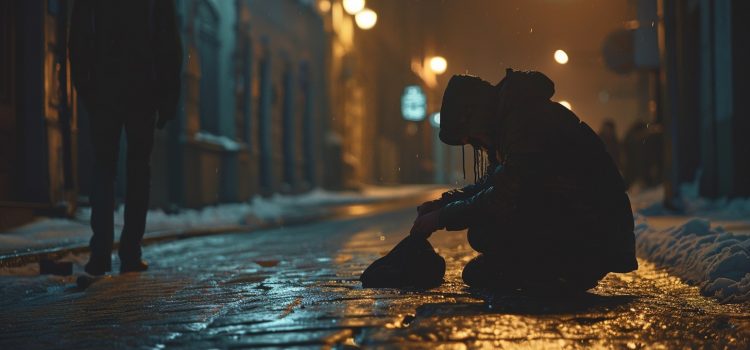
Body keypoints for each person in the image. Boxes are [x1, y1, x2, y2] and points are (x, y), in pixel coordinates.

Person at [411, 69, 637, 294]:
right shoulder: (513, 121)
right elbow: (491, 184)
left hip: (594, 236)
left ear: (476, 116)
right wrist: (441, 205)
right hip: (583, 227)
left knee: (484, 244)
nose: (475, 144)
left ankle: (562, 272)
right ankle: (552, 269)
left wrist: (441, 217)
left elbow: (504, 193)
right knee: (483, 243)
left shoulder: (526, 123)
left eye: (470, 136)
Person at [69, 0, 182, 275]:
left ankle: (100, 254)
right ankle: (130, 252)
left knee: (104, 168)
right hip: (142, 89)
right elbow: (169, 46)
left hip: (104, 89)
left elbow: (79, 37)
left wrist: (85, 86)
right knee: (138, 169)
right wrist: (167, 98)